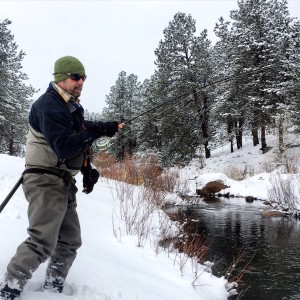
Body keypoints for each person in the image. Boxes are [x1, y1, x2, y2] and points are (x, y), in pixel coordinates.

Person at [0, 56, 121, 300]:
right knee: (42, 240)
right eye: (75, 77)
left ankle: (54, 288)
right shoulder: (49, 104)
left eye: (83, 77)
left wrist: (88, 169)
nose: (81, 82)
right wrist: (98, 131)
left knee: (70, 240)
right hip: (44, 179)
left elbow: (80, 128)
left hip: (63, 181)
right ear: (60, 78)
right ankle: (9, 290)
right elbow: (64, 146)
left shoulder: (71, 107)